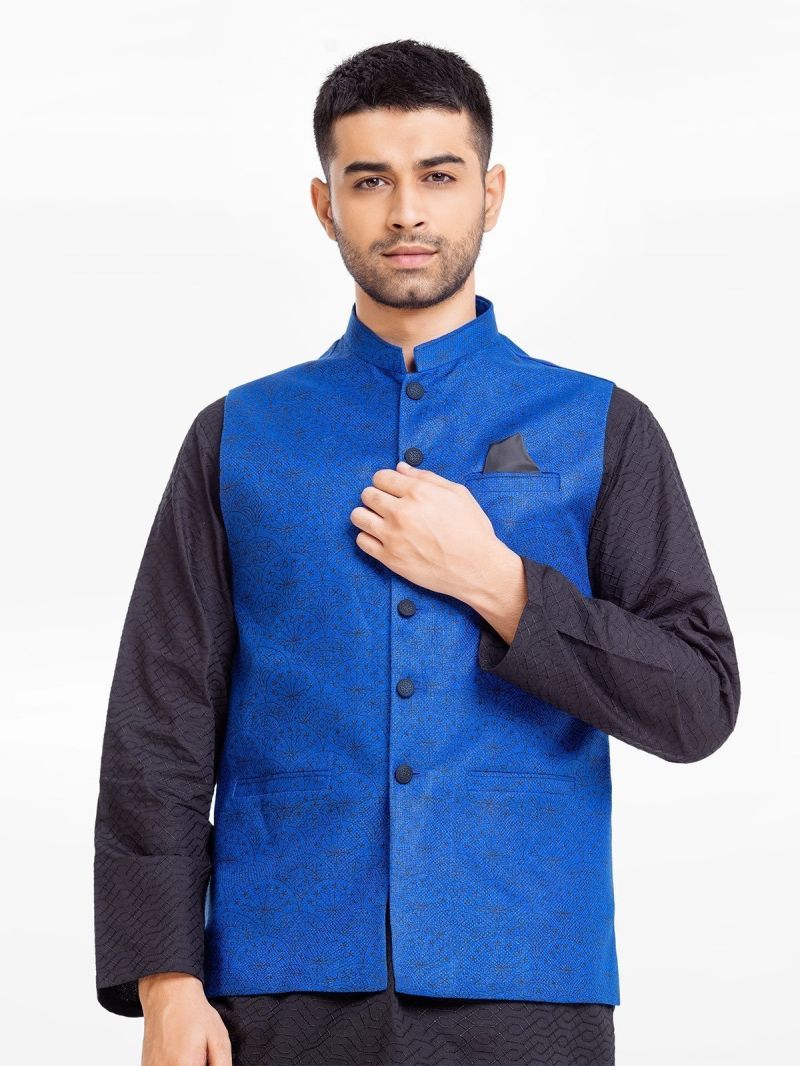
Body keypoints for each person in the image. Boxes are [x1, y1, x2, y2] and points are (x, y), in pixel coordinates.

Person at [93, 38, 740, 1066]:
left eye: (438, 176)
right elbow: (158, 726)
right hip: (279, 981)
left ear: (491, 192)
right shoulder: (238, 437)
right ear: (324, 204)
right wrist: (166, 982)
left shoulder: (600, 427)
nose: (405, 212)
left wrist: (500, 585)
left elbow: (698, 700)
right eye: (370, 181)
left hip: (530, 976)